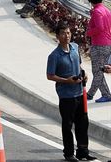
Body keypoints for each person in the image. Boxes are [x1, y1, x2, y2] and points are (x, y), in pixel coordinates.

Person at [46, 23, 95, 162]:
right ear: (57, 36)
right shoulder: (54, 56)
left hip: (80, 92)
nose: (66, 36)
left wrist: (83, 75)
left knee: (83, 123)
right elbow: (50, 75)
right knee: (67, 126)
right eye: (63, 33)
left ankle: (83, 151)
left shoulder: (74, 47)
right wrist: (66, 80)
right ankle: (68, 153)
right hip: (66, 96)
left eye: (68, 33)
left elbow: (79, 65)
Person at [86, 0, 111, 103]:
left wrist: (89, 32)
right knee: (98, 70)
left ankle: (92, 93)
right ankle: (102, 94)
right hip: (107, 43)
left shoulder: (97, 11)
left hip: (99, 44)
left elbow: (100, 27)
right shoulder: (106, 10)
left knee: (97, 71)